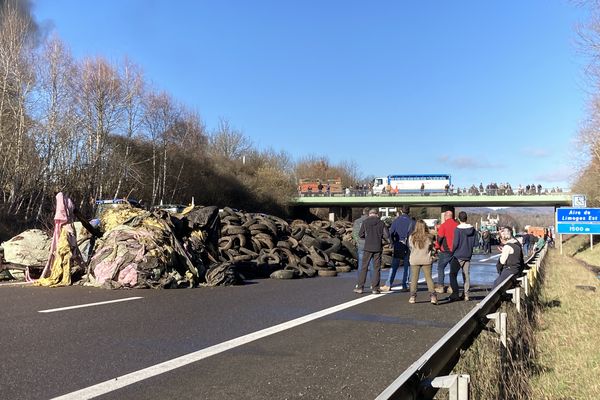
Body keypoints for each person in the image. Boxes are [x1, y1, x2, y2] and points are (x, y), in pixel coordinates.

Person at [380, 205, 414, 292]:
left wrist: (392, 243)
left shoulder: (396, 221)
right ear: (408, 212)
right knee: (407, 266)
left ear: (401, 211)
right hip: (408, 245)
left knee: (394, 265)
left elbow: (390, 233)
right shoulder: (412, 222)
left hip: (398, 244)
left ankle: (388, 284)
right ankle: (405, 285)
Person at [354, 209, 389, 294]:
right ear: (377, 214)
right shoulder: (381, 223)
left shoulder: (365, 222)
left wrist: (366, 237)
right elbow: (387, 235)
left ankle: (360, 287)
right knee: (377, 268)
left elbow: (360, 234)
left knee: (364, 267)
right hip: (377, 247)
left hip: (367, 247)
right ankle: (375, 288)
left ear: (369, 214)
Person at [448, 211, 476, 302]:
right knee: (466, 275)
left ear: (459, 219)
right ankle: (466, 295)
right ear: (466, 218)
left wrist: (452, 251)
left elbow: (455, 243)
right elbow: (476, 243)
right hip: (468, 255)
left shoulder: (457, 229)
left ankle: (455, 293)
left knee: (453, 274)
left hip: (458, 255)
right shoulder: (472, 229)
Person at [408, 220, 437, 305]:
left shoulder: (412, 237)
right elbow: (431, 247)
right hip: (426, 259)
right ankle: (433, 296)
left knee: (414, 278)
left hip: (414, 259)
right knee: (428, 278)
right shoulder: (429, 237)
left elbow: (410, 247)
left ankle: (412, 297)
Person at [434, 210, 458, 294]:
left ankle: (440, 286)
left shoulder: (443, 226)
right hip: (455, 251)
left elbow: (439, 238)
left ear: (446, 216)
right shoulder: (457, 225)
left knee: (441, 268)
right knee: (453, 270)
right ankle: (452, 287)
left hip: (445, 251)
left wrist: (436, 247)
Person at [352, 207, 374, 285]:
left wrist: (358, 242)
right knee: (372, 266)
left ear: (363, 212)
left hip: (361, 245)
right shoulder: (374, 221)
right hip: (372, 245)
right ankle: (373, 284)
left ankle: (360, 284)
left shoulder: (357, 221)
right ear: (370, 213)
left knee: (361, 266)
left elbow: (355, 234)